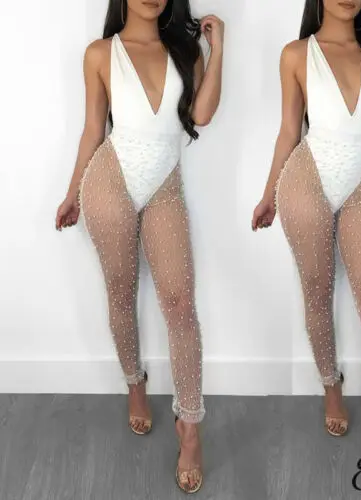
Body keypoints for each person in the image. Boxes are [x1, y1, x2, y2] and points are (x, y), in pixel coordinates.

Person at [55, 0, 224, 493]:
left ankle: (190, 426)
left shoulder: (185, 49)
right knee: (121, 291)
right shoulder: (99, 53)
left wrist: (218, 51)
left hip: (164, 186)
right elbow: (94, 128)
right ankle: (134, 383)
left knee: (180, 304)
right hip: (108, 182)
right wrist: (72, 192)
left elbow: (201, 114)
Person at [252, 0, 361, 494]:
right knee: (318, 291)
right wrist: (269, 194)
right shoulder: (295, 54)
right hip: (305, 183)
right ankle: (330, 385)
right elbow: (289, 130)